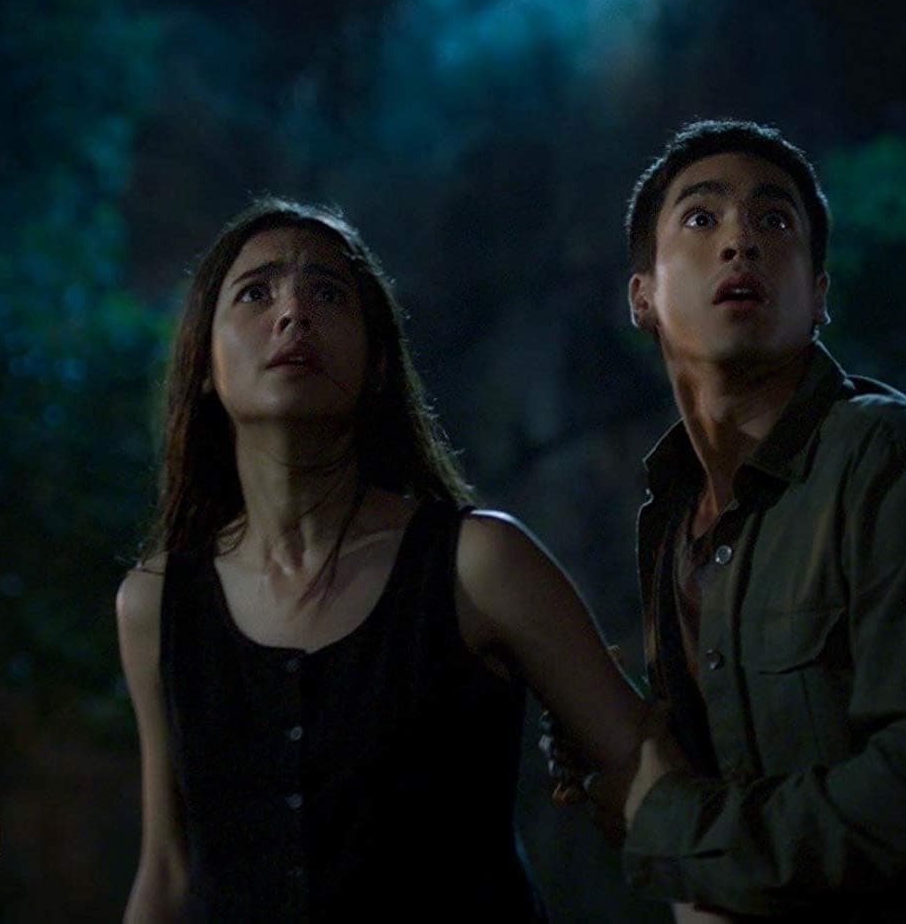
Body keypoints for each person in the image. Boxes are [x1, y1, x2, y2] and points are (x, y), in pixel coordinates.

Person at [113, 198, 666, 922]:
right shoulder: (156, 602)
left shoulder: (478, 563)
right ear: (205, 364)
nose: (293, 314)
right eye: (255, 293)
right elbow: (166, 867)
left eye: (327, 294)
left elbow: (645, 768)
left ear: (377, 362)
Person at [569, 118, 906, 921]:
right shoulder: (672, 515)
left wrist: (667, 822)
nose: (740, 243)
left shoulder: (892, 462)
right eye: (701, 217)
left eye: (774, 221)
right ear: (641, 295)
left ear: (818, 292)